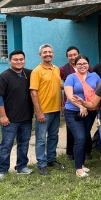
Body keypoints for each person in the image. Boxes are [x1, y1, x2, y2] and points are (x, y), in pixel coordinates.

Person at [0, 50, 34, 181]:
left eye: (21, 59)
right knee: (7, 144)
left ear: (24, 60)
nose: (19, 61)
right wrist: (3, 116)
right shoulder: (3, 77)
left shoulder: (29, 74)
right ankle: (1, 170)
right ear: (10, 61)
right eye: (16, 59)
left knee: (24, 143)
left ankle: (21, 166)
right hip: (10, 119)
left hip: (26, 117)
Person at [63, 55, 101, 177]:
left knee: (84, 136)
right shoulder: (71, 77)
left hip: (90, 111)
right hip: (73, 111)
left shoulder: (94, 76)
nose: (82, 66)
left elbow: (100, 92)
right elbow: (69, 95)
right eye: (79, 64)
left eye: (84, 63)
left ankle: (82, 164)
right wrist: (81, 106)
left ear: (88, 64)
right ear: (75, 65)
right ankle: (78, 168)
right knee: (79, 138)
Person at [30, 44, 64, 176]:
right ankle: (41, 164)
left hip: (56, 110)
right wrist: (38, 112)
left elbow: (58, 88)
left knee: (53, 136)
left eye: (50, 52)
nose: (48, 54)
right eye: (45, 52)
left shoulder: (56, 69)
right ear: (40, 55)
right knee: (41, 139)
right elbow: (33, 93)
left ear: (53, 54)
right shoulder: (36, 71)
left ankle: (51, 159)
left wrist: (61, 106)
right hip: (44, 111)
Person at [60, 46, 80, 161]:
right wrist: (67, 86)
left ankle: (87, 151)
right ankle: (70, 153)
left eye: (75, 54)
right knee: (71, 128)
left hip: (84, 103)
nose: (73, 57)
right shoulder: (63, 69)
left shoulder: (85, 65)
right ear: (67, 57)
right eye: (70, 55)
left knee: (84, 128)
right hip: (70, 103)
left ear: (79, 54)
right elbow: (57, 84)